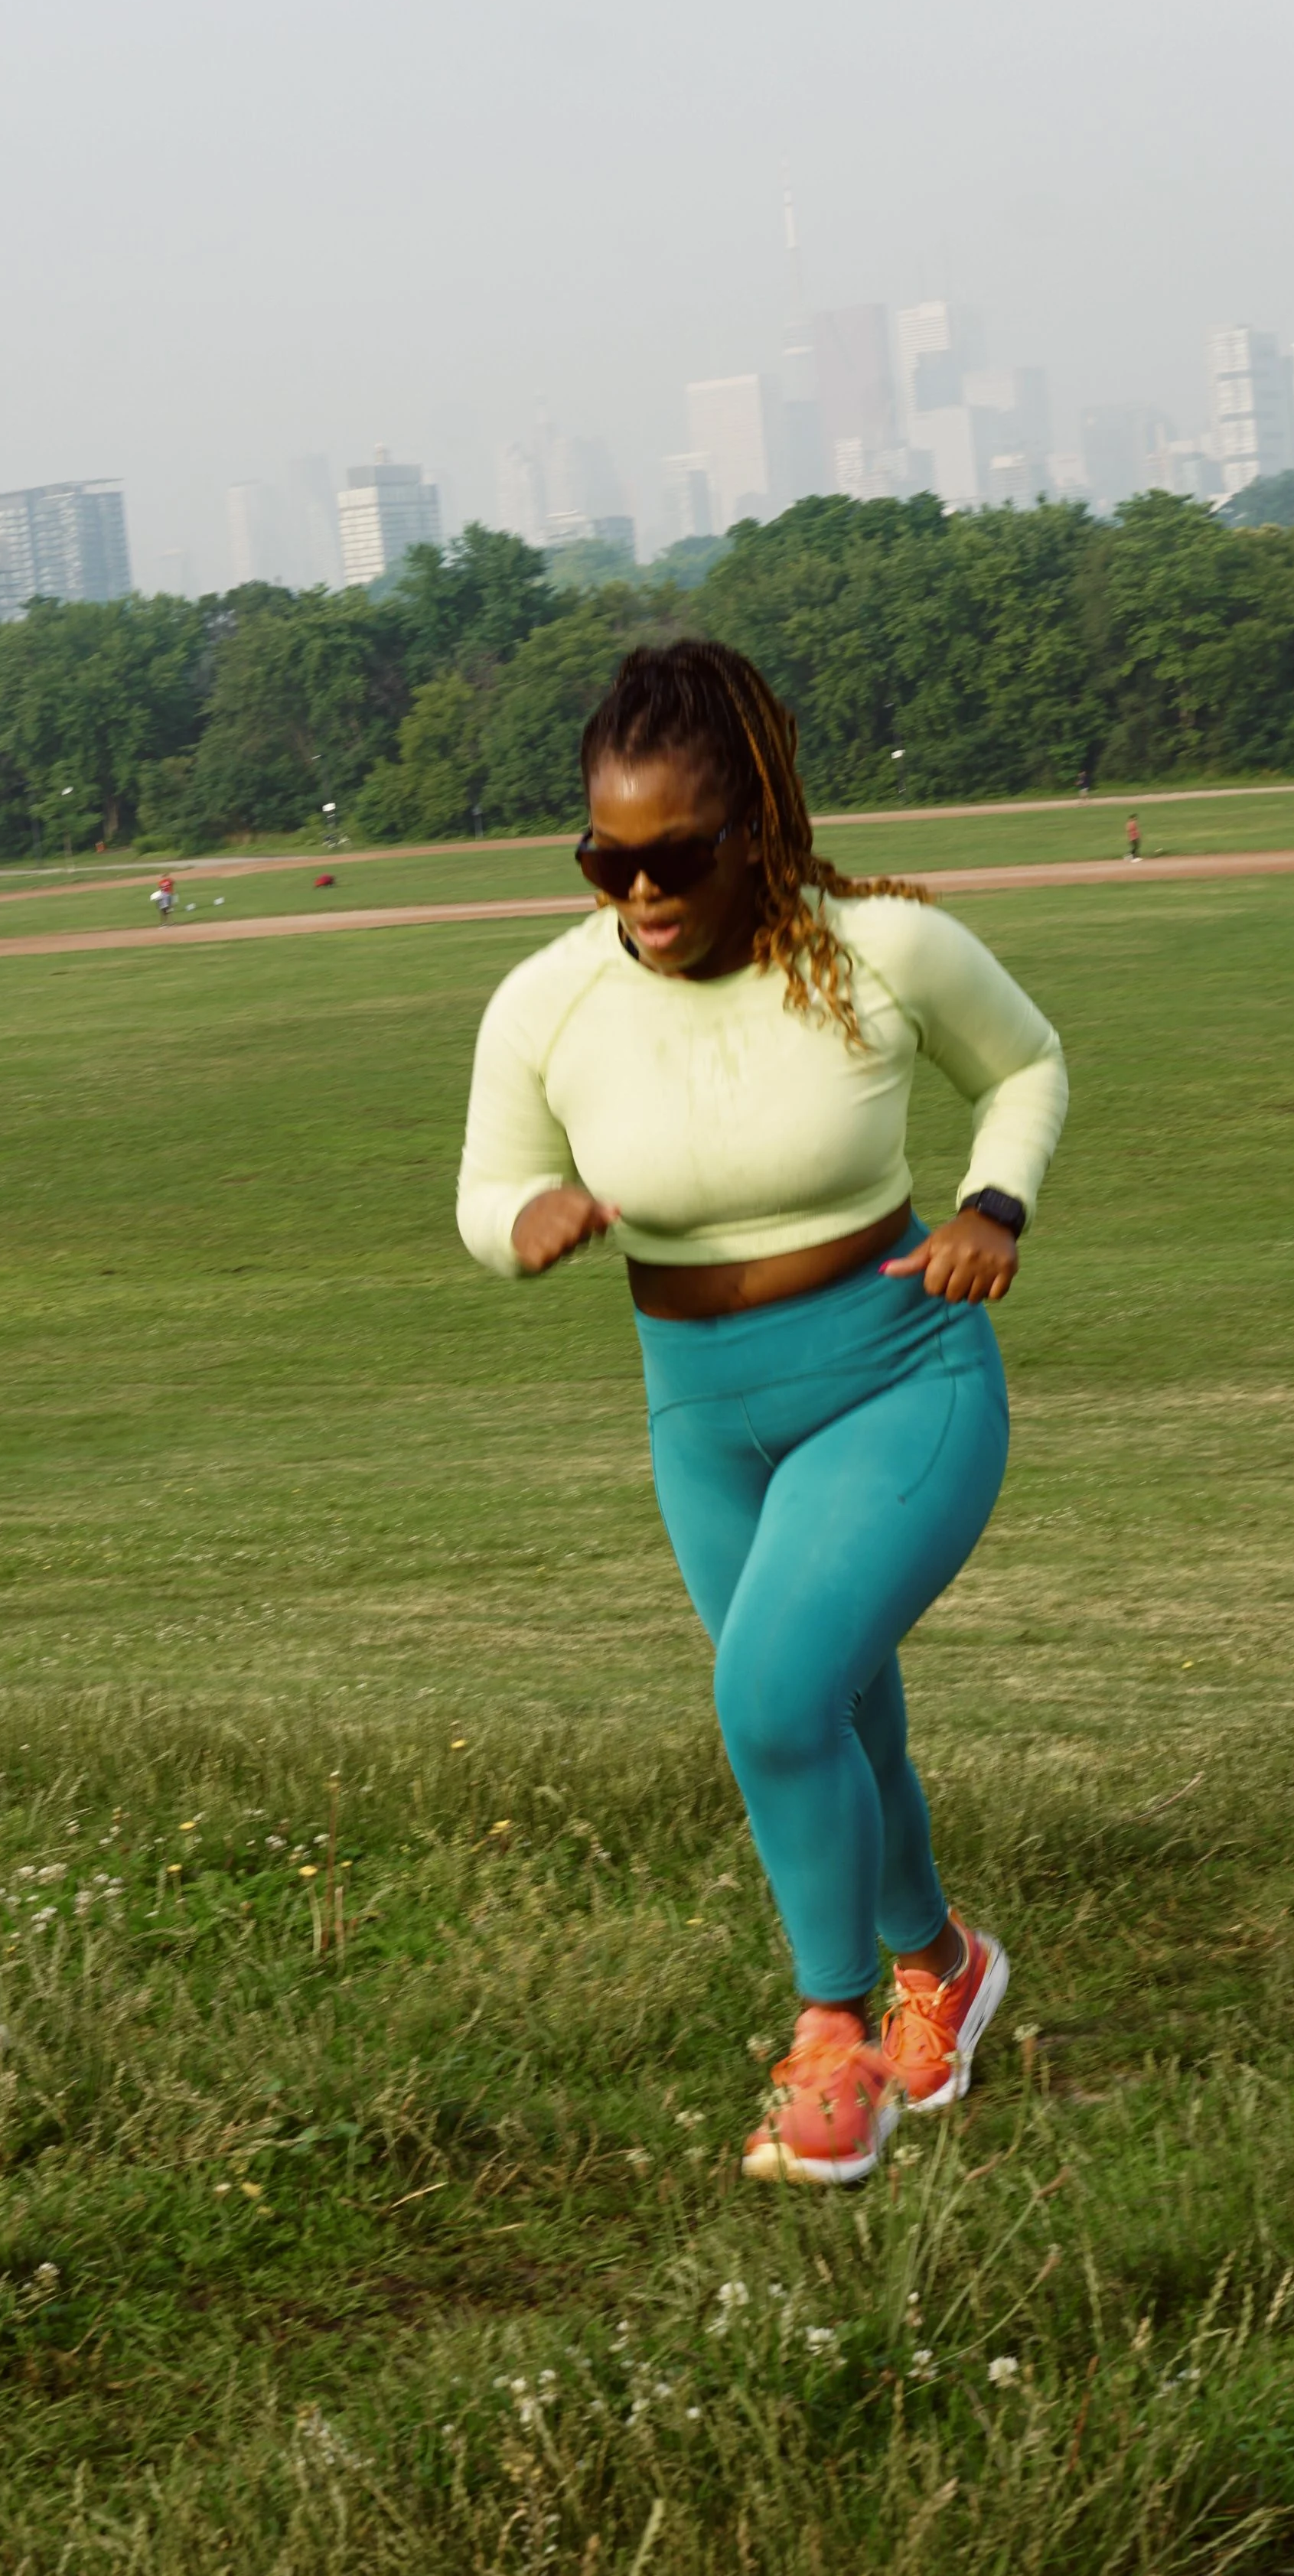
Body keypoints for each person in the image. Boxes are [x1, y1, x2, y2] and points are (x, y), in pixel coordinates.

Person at [457, 642, 1067, 2187]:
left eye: (673, 857)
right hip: (701, 1417)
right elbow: (481, 1191)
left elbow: (1028, 1067)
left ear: (760, 834)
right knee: (838, 1708)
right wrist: (521, 1220)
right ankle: (942, 1965)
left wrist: (992, 1206)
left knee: (774, 1697)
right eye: (606, 857)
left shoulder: (882, 949)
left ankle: (830, 2041)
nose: (639, 892)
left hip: (896, 1374)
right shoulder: (548, 998)